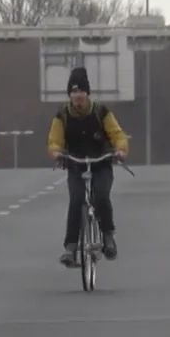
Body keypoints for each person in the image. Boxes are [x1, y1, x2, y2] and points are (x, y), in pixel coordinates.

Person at [47, 67, 129, 265]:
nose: (78, 97)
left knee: (100, 196)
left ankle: (108, 236)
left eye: (81, 92)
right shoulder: (62, 115)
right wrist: (56, 151)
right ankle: (71, 247)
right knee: (76, 201)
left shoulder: (101, 112)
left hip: (100, 163)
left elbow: (118, 134)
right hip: (76, 164)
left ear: (87, 93)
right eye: (74, 92)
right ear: (70, 95)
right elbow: (54, 140)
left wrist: (120, 149)